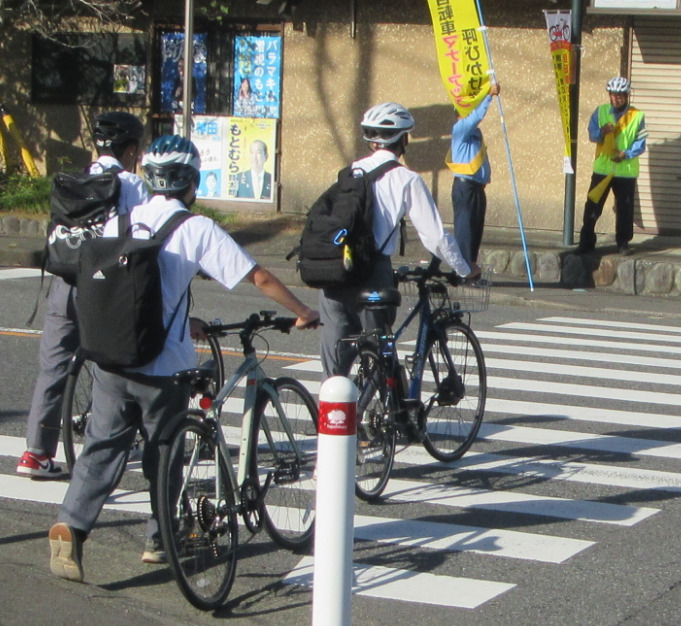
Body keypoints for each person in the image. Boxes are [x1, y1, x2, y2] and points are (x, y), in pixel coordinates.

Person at [47, 134, 319, 583]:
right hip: (163, 366)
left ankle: (71, 527)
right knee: (165, 454)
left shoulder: (123, 220)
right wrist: (303, 312)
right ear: (191, 181)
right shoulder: (196, 228)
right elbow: (260, 276)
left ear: (150, 179)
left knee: (101, 446)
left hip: (112, 357)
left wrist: (183, 318)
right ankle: (161, 539)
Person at [17, 112, 151, 480]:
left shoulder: (73, 179)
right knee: (119, 361)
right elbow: (140, 236)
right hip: (105, 286)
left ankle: (35, 453)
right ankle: (112, 441)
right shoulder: (131, 185)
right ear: (131, 149)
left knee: (54, 366)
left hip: (64, 282)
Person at [319, 102, 477, 378]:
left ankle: (334, 416)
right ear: (404, 139)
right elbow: (435, 236)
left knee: (336, 358)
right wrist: (464, 268)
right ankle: (382, 413)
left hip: (332, 270)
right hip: (372, 272)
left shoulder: (350, 172)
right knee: (378, 351)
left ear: (371, 141)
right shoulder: (405, 179)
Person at [575, 76, 648, 256]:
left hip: (626, 170)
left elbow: (641, 142)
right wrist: (602, 132)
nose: (616, 98)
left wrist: (626, 154)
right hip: (603, 168)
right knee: (593, 205)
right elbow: (592, 135)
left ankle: (623, 243)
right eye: (613, 95)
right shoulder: (600, 112)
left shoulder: (637, 116)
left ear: (626, 95)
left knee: (625, 209)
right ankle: (586, 241)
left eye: (620, 95)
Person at [449, 82, 500, 263]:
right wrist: (488, 95)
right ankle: (463, 272)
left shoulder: (475, 134)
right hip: (465, 187)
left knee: (475, 230)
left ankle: (471, 268)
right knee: (465, 232)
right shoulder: (460, 128)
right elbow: (476, 117)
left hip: (477, 188)